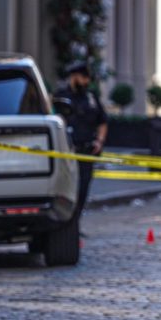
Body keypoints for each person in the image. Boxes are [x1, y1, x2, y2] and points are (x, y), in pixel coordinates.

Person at [54, 61, 108, 227]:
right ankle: (66, 226)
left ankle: (75, 225)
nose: (86, 81)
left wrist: (99, 141)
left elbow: (103, 121)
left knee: (83, 190)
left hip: (86, 151)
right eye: (83, 78)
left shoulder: (91, 98)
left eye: (87, 78)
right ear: (74, 77)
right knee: (65, 191)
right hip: (66, 152)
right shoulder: (61, 96)